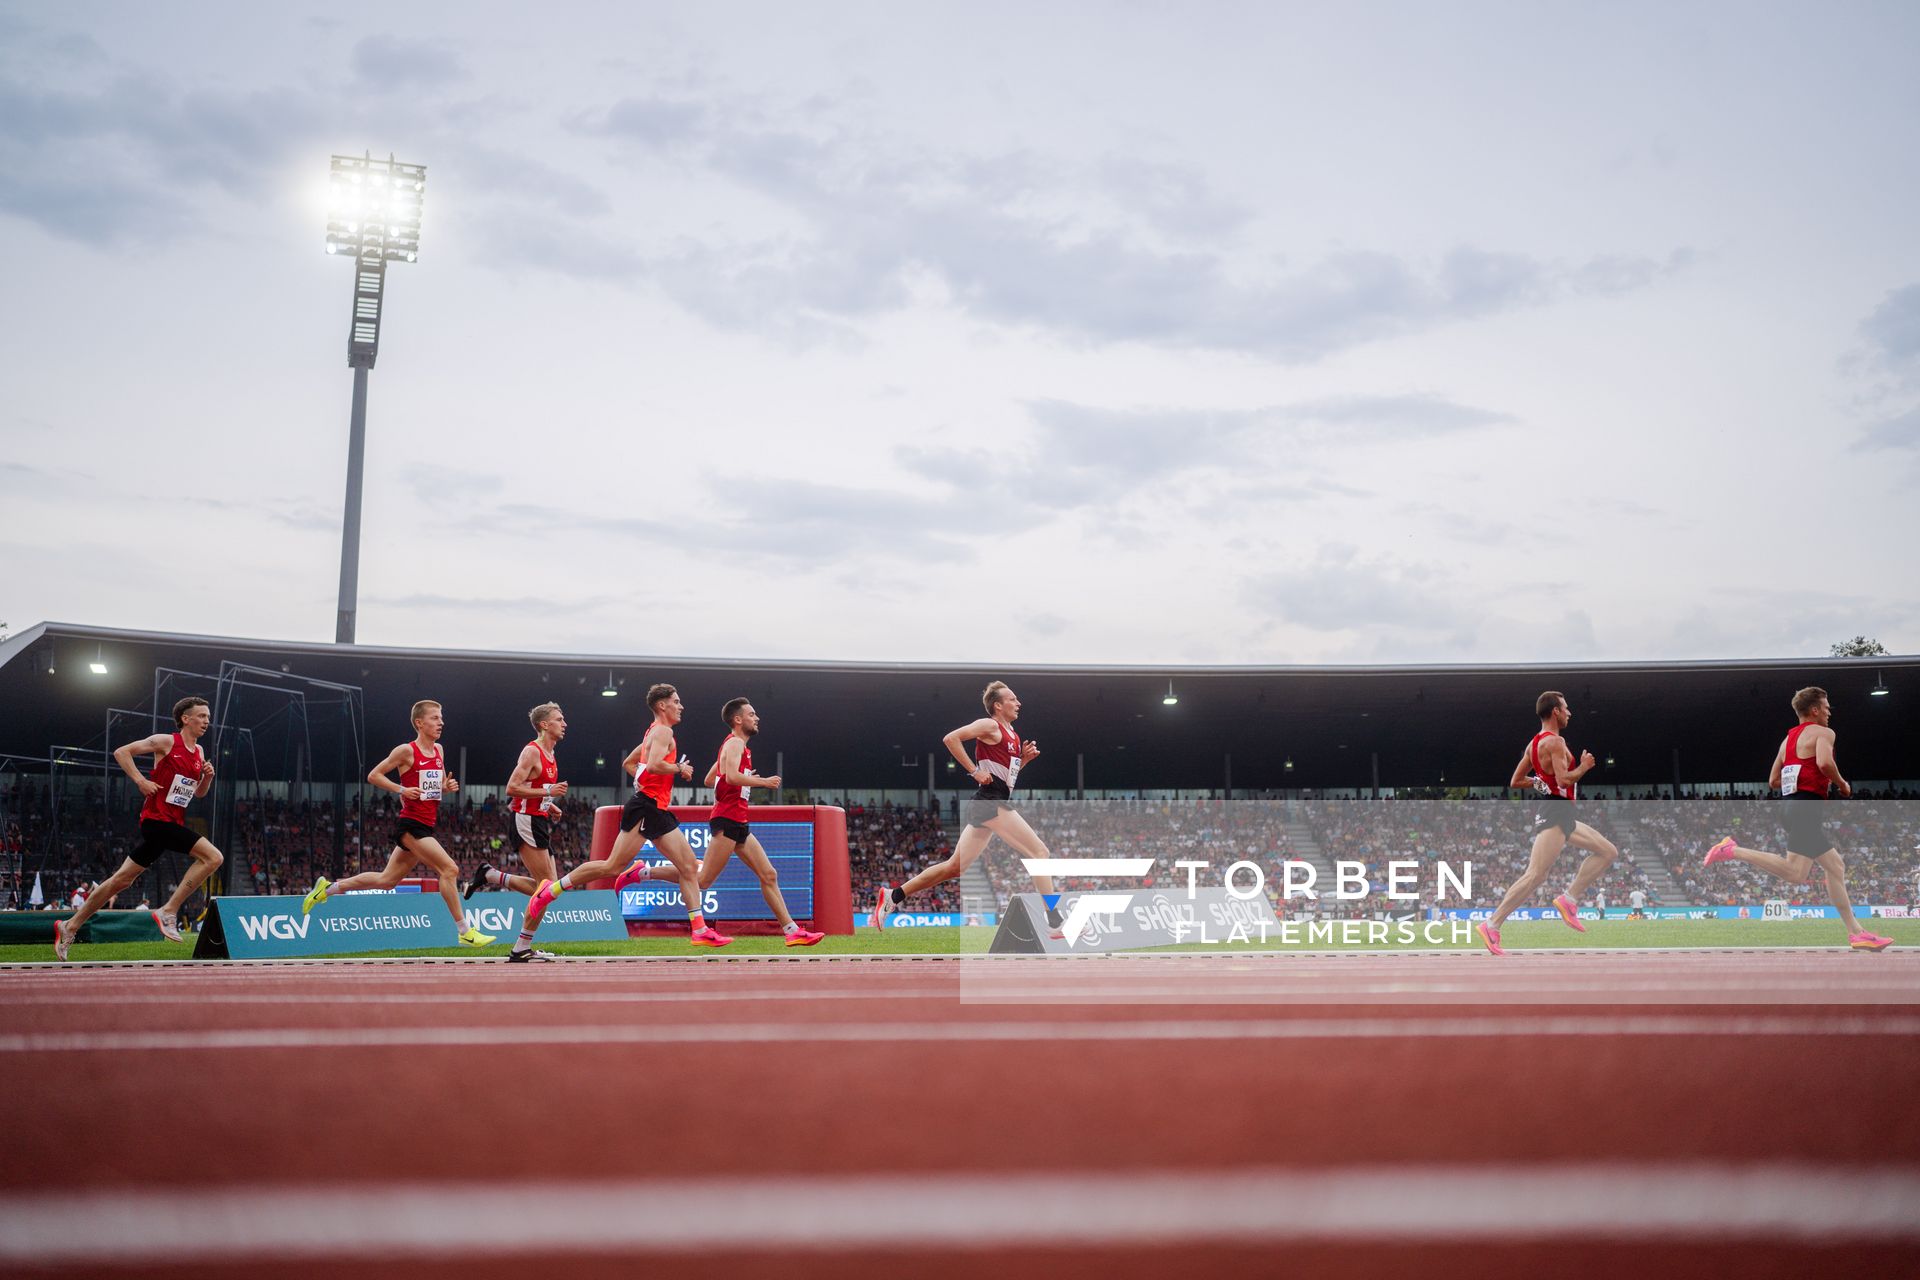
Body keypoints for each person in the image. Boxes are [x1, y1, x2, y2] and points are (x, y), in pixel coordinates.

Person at [528, 684, 731, 947]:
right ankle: (552, 890)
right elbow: (657, 764)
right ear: (662, 706)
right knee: (620, 866)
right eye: (676, 702)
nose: (681, 706)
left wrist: (644, 782)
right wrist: (679, 767)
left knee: (678, 867)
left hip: (650, 805)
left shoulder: (652, 732)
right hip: (648, 806)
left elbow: (631, 765)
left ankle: (696, 927)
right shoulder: (662, 731)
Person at [615, 698, 824, 946]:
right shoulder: (735, 743)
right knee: (701, 880)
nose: (757, 718)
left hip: (739, 821)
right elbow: (732, 777)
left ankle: (791, 931)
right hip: (727, 820)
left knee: (769, 874)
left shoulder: (735, 746)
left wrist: (736, 777)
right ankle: (642, 873)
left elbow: (710, 779)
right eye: (752, 714)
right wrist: (763, 782)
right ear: (738, 720)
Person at [1703, 686, 1892, 952]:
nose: (1829, 712)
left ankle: (1856, 933)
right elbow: (1825, 763)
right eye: (1826, 707)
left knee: (1835, 867)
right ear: (1814, 710)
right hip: (1806, 808)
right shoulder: (1824, 733)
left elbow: (1773, 781)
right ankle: (1732, 850)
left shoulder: (1786, 741)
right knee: (1795, 873)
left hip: (1791, 806)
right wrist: (1841, 783)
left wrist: (1801, 778)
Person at [873, 681, 1063, 935]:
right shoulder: (990, 725)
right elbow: (951, 738)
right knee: (1040, 853)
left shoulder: (1013, 735)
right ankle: (1055, 921)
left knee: (955, 867)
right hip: (989, 801)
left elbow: (1006, 780)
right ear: (998, 705)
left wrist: (1024, 760)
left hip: (991, 800)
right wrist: (974, 771)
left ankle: (893, 895)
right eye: (1013, 699)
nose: (1018, 703)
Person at [301, 700, 496, 947]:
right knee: (450, 869)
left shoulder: (439, 751)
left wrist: (444, 788)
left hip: (426, 824)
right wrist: (402, 788)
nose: (441, 722)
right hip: (411, 825)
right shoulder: (406, 751)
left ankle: (327, 888)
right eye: (435, 718)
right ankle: (464, 931)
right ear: (419, 723)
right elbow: (374, 775)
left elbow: (431, 791)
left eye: (441, 718)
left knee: (386, 880)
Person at [54, 696, 226, 961]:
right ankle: (168, 910)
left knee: (121, 881)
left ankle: (70, 925)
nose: (207, 721)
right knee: (213, 857)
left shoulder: (199, 753)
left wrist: (207, 778)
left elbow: (198, 795)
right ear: (185, 718)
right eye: (201, 716)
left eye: (208, 717)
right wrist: (140, 781)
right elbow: (121, 752)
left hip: (171, 823)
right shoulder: (166, 741)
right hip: (157, 821)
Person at [1477, 691, 1621, 956]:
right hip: (1556, 810)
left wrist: (1541, 782)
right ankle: (1492, 924)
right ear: (1555, 711)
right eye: (1566, 708)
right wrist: (1586, 766)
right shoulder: (1555, 742)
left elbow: (1516, 781)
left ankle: (1569, 899)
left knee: (1608, 851)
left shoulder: (1534, 744)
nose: (1569, 712)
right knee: (1535, 875)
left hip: (1561, 811)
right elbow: (1566, 780)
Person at [466, 702, 569, 962]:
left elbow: (534, 789)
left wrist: (549, 806)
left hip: (539, 820)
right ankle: (520, 948)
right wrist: (547, 793)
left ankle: (490, 875)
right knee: (546, 888)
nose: (564, 723)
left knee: (548, 889)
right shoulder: (531, 752)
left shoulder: (551, 754)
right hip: (525, 822)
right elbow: (511, 788)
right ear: (544, 725)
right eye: (559, 719)